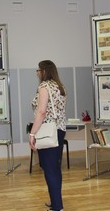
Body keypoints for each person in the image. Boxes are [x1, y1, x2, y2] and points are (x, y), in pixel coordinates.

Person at [29, 60, 67, 211]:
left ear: (44, 71)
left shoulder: (44, 87)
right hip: (59, 129)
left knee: (49, 168)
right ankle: (55, 201)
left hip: (47, 130)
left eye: (38, 70)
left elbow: (41, 112)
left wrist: (32, 133)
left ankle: (58, 207)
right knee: (54, 168)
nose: (37, 73)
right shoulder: (60, 86)